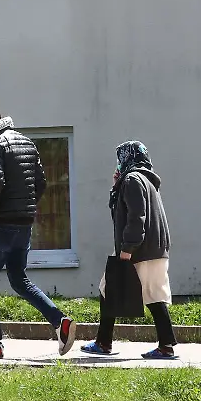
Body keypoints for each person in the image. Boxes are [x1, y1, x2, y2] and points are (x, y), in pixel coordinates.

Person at [0, 102, 77, 359]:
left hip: (2, 224)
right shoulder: (26, 142)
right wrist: (26, 209)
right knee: (19, 279)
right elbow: (41, 183)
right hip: (25, 223)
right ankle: (59, 321)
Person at [81, 141, 177, 359]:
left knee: (113, 290)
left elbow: (136, 218)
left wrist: (127, 249)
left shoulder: (133, 180)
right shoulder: (146, 180)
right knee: (148, 295)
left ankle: (105, 343)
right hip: (154, 248)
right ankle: (164, 345)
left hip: (139, 250)